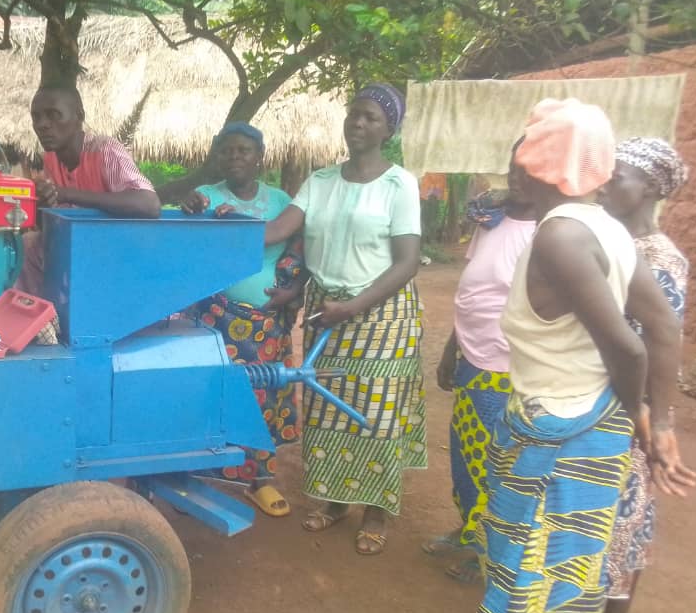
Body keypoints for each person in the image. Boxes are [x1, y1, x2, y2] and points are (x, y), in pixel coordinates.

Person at [463, 99, 696, 613]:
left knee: (540, 562)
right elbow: (666, 325)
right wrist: (659, 422)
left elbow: (630, 344)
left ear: (540, 166)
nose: (515, 169)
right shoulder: (607, 228)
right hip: (582, 426)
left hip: (562, 428)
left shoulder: (562, 235)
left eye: (524, 155)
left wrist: (645, 421)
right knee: (555, 560)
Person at [263, 83, 426, 555]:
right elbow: (278, 231)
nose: (359, 123)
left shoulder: (400, 184)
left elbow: (407, 262)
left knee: (374, 414)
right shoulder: (320, 181)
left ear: (389, 129)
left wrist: (355, 307)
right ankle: (336, 502)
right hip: (325, 309)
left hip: (380, 313)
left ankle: (376, 511)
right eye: (354, 114)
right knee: (328, 408)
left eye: (371, 117)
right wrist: (219, 219)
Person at [567, 137, 690, 613]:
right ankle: (577, 605)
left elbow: (656, 340)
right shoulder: (608, 241)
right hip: (594, 390)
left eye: (620, 177)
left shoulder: (662, 257)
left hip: (632, 403)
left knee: (627, 511)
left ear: (651, 189)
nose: (608, 184)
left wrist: (650, 417)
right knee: (590, 507)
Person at [424, 139, 536, 582]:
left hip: (508, 369)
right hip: (473, 358)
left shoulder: (551, 233)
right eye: (514, 166)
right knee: (465, 460)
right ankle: (471, 531)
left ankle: (490, 553)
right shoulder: (493, 221)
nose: (517, 176)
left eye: (530, 169)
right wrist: (452, 349)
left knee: (496, 465)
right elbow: (473, 289)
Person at [179, 122, 301, 516]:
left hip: (266, 322)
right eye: (227, 151)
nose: (235, 157)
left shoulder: (282, 201)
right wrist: (191, 209)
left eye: (244, 151)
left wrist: (293, 290)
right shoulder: (204, 198)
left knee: (261, 397)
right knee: (209, 393)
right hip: (213, 319)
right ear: (217, 157)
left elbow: (299, 250)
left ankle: (260, 480)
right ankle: (197, 477)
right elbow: (188, 247)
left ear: (259, 157)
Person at [17, 84, 160, 295]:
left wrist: (66, 194)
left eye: (54, 115)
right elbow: (50, 224)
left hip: (123, 252)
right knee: (26, 245)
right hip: (83, 249)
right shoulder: (51, 159)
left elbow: (150, 204)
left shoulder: (105, 151)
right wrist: (44, 204)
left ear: (79, 116)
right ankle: (39, 319)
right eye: (36, 117)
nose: (43, 125)